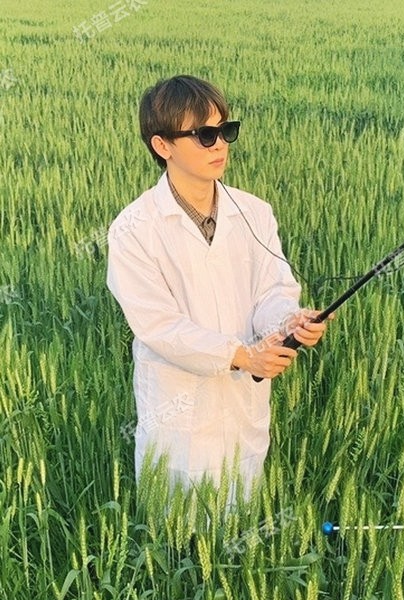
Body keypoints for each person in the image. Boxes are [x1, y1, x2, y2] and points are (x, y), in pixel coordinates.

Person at [107, 75, 330, 500]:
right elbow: (158, 326)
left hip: (243, 401)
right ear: (162, 145)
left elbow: (272, 291)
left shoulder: (254, 212)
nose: (220, 146)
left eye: (225, 131)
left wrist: (290, 321)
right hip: (177, 406)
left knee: (240, 512)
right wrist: (241, 356)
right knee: (175, 523)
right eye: (204, 135)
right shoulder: (133, 229)